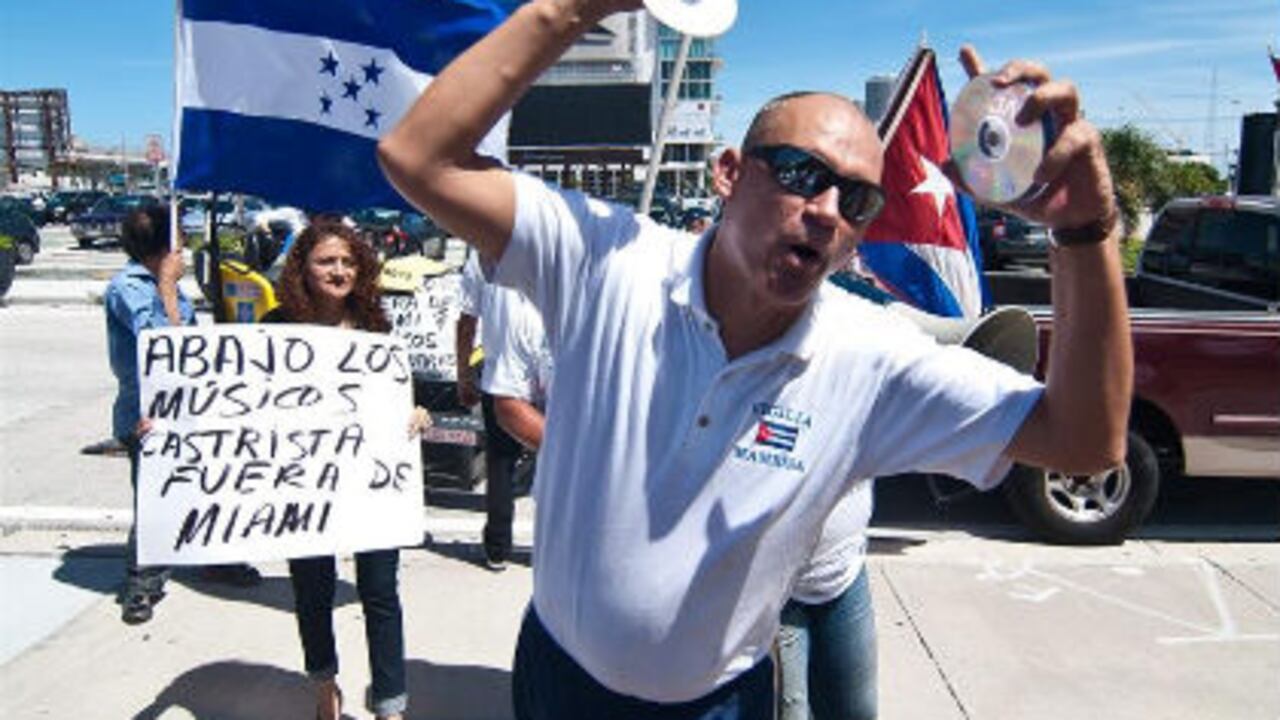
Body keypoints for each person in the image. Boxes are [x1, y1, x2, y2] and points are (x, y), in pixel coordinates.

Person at [377, 2, 1131, 715]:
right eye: (802, 173)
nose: (829, 210)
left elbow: (1082, 441)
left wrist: (1087, 233)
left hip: (725, 703)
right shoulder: (606, 258)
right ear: (729, 173)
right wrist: (571, 11)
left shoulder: (870, 360)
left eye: (858, 201)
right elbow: (417, 156)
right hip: (557, 676)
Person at [261, 219, 431, 720]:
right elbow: (239, 404)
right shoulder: (274, 327)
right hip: (304, 483)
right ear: (303, 269)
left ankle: (390, 705)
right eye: (326, 261)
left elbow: (399, 396)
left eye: (348, 261)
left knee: (381, 593)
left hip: (369, 485)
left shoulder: (376, 327)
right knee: (311, 590)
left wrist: (415, 414)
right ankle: (324, 690)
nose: (339, 271)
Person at [106, 207, 262, 626]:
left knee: (208, 489)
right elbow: (162, 346)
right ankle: (142, 584)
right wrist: (168, 285)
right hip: (150, 418)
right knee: (157, 500)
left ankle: (216, 559)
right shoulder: (131, 287)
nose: (186, 246)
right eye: (179, 238)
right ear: (162, 245)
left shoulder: (163, 283)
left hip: (192, 412)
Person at [455, 251, 536, 570]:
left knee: (500, 462)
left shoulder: (482, 254)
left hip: (501, 375)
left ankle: (497, 546)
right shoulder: (560, 247)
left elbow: (466, 321)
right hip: (553, 372)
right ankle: (557, 544)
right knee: (562, 460)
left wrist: (463, 373)